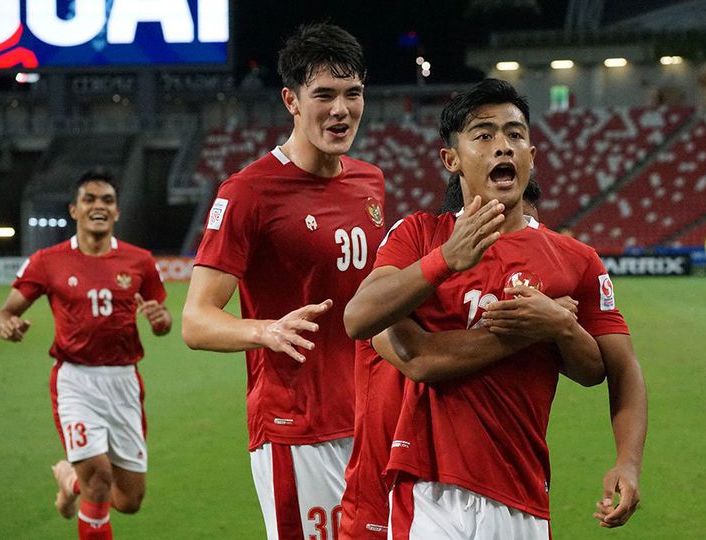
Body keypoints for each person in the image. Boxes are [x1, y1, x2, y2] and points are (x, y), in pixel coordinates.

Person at [343, 78, 632, 538]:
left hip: (522, 492)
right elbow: (360, 320)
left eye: (516, 135)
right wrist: (446, 262)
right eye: (484, 135)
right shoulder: (419, 237)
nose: (503, 146)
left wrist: (562, 326)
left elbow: (605, 369)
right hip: (428, 488)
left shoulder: (575, 259)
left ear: (532, 156)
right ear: (451, 159)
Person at [181, 23, 385, 540]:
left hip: (371, 418)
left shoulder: (370, 181)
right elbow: (196, 321)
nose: (341, 110)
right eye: (324, 95)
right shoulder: (249, 192)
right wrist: (264, 331)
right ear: (291, 100)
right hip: (297, 429)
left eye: (353, 93)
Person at [340, 175, 594, 539]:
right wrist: (533, 329)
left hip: (472, 491)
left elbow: (596, 367)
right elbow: (421, 360)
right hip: (384, 496)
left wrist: (557, 326)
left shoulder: (497, 294)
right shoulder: (394, 292)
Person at [440, 174, 647, 528]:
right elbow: (406, 353)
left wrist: (627, 461)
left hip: (521, 483)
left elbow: (614, 368)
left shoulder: (570, 260)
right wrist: (543, 328)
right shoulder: (421, 250)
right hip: (426, 478)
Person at [0, 169, 172, 540]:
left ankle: (68, 479)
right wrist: (8, 324)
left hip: (124, 381)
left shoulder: (139, 261)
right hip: (75, 380)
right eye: (90, 199)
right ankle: (82, 482)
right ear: (74, 210)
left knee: (128, 500)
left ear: (117, 213)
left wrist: (160, 320)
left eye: (107, 200)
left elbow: (163, 320)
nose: (99, 206)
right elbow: (7, 312)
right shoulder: (48, 261)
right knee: (99, 480)